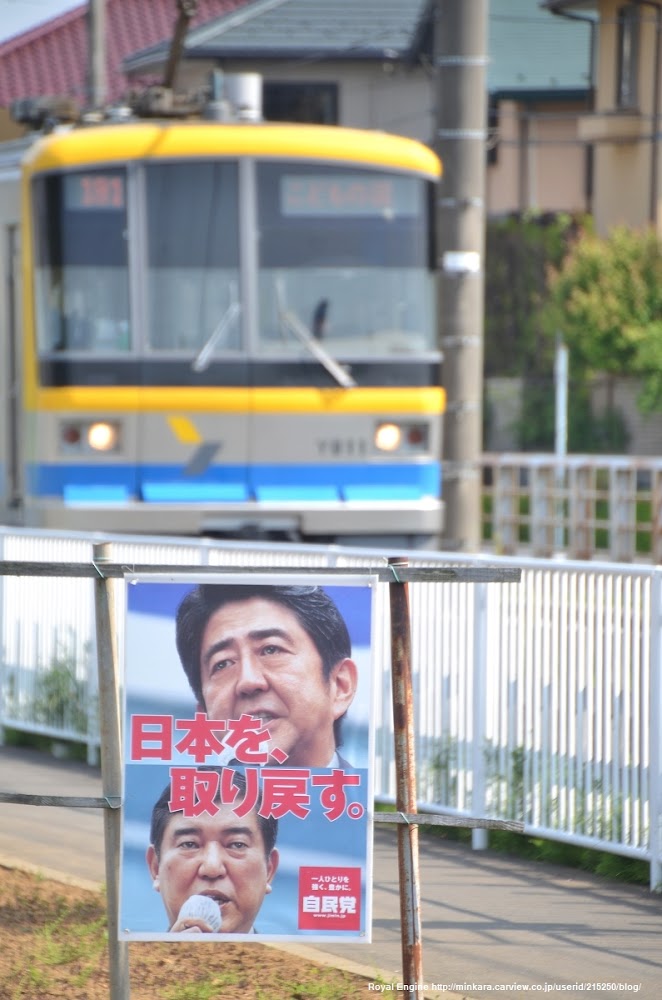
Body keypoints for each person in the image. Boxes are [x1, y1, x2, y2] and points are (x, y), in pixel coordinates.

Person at [175, 584, 359, 768]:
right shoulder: (175, 787)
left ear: (339, 686)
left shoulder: (366, 786)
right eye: (222, 664)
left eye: (271, 649)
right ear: (204, 715)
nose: (248, 681)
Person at [146, 769, 279, 934]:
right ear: (155, 867)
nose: (212, 868)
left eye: (237, 844)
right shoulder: (131, 950)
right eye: (189, 844)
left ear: (269, 869)